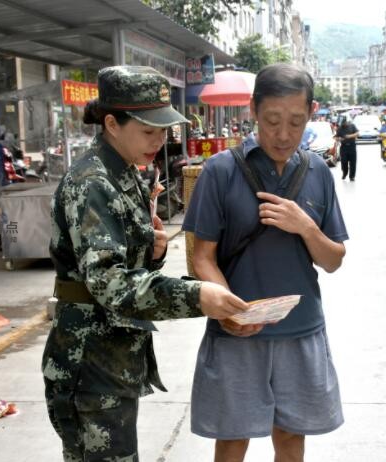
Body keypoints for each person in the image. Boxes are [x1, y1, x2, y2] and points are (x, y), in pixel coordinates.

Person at [42, 65, 249, 462]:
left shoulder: (124, 173)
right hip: (89, 360)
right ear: (111, 124)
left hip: (112, 357)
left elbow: (121, 266)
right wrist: (196, 295)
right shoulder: (93, 183)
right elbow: (109, 283)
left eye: (164, 131)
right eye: (149, 131)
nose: (160, 141)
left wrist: (151, 251)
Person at [183, 63, 348, 462]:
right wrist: (229, 311)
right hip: (238, 335)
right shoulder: (220, 171)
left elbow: (333, 260)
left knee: (291, 439)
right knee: (233, 440)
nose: (284, 134)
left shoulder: (318, 172)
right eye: (273, 120)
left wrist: (306, 227)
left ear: (312, 112)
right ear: (253, 110)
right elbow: (200, 256)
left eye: (295, 121)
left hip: (301, 330)